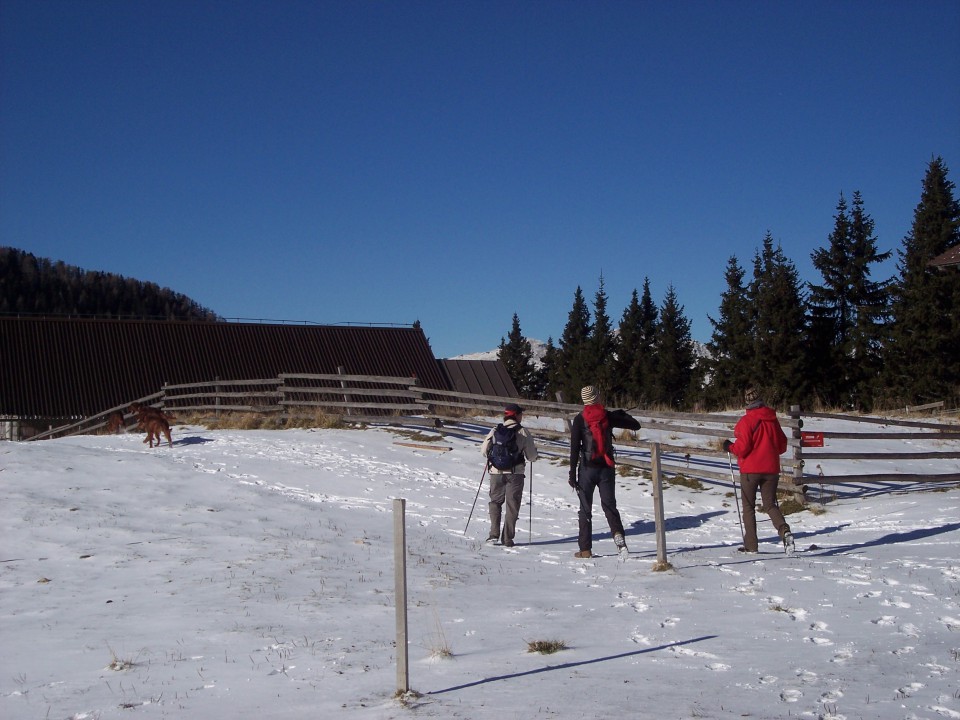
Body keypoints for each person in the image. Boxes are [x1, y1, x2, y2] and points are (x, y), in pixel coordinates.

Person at [568, 385, 641, 558]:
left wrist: (571, 473)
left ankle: (585, 549)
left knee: (585, 509)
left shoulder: (579, 419)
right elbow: (636, 425)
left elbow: (574, 448)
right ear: (597, 397)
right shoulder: (607, 415)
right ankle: (618, 537)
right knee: (609, 506)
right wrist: (620, 415)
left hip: (587, 468)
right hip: (606, 468)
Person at [723, 386, 794, 553]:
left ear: (747, 402)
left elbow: (742, 448)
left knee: (748, 507)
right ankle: (784, 530)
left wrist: (729, 447)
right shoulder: (772, 419)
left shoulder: (746, 421)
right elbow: (782, 445)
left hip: (750, 470)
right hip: (771, 469)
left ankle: (751, 545)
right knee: (770, 504)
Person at [479, 403, 538, 547]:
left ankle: (493, 535)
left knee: (495, 502)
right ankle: (507, 539)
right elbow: (531, 456)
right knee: (512, 505)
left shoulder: (495, 430)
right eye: (521, 414)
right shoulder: (523, 432)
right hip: (515, 473)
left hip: (496, 472)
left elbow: (483, 450)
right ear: (517, 415)